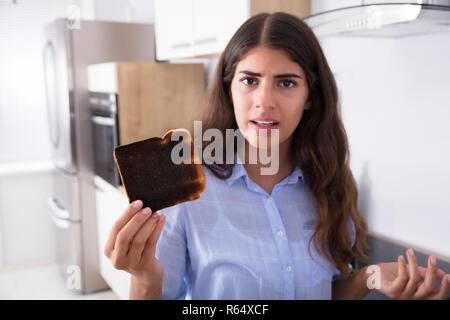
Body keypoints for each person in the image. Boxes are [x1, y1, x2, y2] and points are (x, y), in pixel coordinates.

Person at [104, 12, 450, 300]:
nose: (264, 101)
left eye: (286, 83)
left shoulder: (332, 181)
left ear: (310, 97)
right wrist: (144, 277)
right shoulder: (183, 187)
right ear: (229, 88)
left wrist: (369, 278)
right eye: (249, 80)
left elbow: (325, 291)